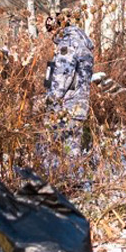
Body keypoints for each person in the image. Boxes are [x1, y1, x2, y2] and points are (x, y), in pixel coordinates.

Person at [44, 10, 95, 160]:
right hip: (78, 104)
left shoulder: (68, 43)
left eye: (51, 29)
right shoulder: (80, 42)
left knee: (62, 151)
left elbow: (62, 76)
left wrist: (50, 100)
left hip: (66, 106)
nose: (50, 35)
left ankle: (66, 181)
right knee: (71, 150)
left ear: (58, 27)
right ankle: (72, 180)